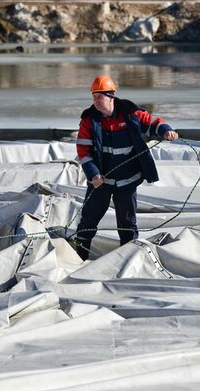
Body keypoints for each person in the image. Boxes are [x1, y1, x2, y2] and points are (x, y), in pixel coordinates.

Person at [72, 75, 178, 260]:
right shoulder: (89, 120)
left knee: (127, 222)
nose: (96, 101)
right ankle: (78, 257)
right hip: (101, 181)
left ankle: (128, 260)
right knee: (88, 220)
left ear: (111, 96)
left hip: (127, 180)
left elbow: (153, 122)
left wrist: (166, 130)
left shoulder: (130, 113)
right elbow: (83, 150)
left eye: (100, 97)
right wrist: (93, 174)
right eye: (94, 97)